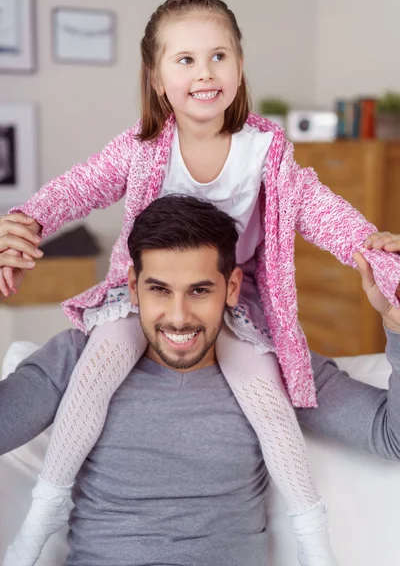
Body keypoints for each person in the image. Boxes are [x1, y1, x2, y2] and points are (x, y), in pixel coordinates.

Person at [1, 0, 400, 566]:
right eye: (184, 59)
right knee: (102, 360)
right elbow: (77, 187)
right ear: (157, 78)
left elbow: (323, 210)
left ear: (239, 67)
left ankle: (317, 543)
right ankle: (40, 519)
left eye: (219, 56)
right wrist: (26, 221)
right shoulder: (141, 148)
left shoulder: (265, 153)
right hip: (125, 314)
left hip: (242, 315)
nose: (205, 72)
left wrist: (375, 253)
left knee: (264, 391)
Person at [2, 195, 400, 566]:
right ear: (132, 287)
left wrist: (396, 327)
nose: (178, 316)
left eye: (199, 290)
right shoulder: (77, 357)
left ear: (230, 288)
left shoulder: (279, 364)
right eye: (159, 289)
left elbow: (391, 436)